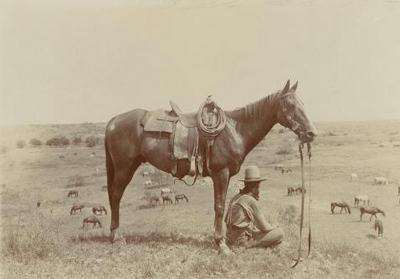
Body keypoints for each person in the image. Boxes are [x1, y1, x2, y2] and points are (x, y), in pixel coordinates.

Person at [224, 165, 284, 249]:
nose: (258, 189)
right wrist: (273, 227)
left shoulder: (236, 197)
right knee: (280, 233)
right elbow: (264, 227)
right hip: (242, 242)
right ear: (255, 186)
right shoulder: (249, 200)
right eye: (258, 186)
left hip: (229, 239)